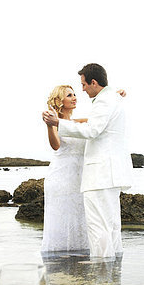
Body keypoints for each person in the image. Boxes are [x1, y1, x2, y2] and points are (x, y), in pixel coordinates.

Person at [42, 63, 133, 259]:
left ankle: (101, 271)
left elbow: (92, 129)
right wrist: (114, 94)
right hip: (95, 175)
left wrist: (58, 122)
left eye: (83, 85)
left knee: (98, 226)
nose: (80, 91)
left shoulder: (103, 102)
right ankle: (111, 272)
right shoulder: (109, 100)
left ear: (93, 82)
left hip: (99, 175)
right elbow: (60, 142)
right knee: (109, 225)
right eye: (71, 94)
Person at [41, 85, 90, 254]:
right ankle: (58, 262)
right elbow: (56, 145)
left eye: (75, 94)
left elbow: (102, 119)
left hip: (81, 178)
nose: (75, 97)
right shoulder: (54, 122)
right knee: (62, 218)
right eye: (69, 95)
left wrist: (115, 97)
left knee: (81, 217)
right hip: (61, 177)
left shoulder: (81, 122)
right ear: (60, 101)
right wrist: (49, 125)